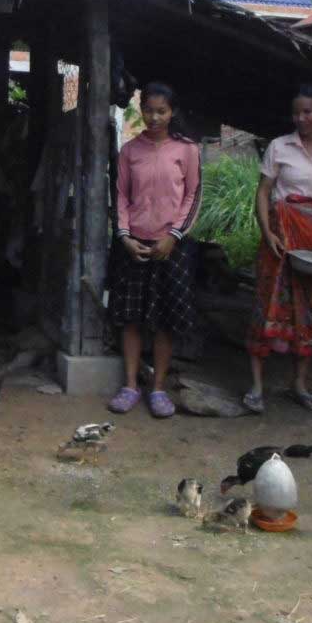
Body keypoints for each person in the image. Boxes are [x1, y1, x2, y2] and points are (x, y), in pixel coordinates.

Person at [246, 83, 312, 414]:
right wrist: (267, 232)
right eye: (296, 112)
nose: (301, 118)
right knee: (266, 305)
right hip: (279, 239)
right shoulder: (279, 146)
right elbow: (263, 192)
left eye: (307, 112)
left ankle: (299, 385)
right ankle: (256, 388)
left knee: (307, 313)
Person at [106, 82, 202, 419]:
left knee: (164, 321)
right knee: (130, 319)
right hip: (134, 244)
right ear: (141, 109)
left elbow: (192, 196)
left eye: (161, 111)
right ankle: (131, 385)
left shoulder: (187, 150)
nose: (154, 117)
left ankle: (158, 389)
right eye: (148, 110)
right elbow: (119, 195)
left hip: (170, 246)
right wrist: (124, 236)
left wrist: (174, 236)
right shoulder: (130, 150)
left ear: (172, 112)